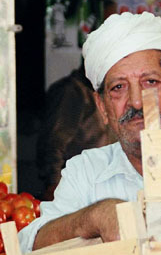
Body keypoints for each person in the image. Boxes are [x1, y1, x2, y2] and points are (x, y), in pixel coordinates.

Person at [19, 11, 161, 253]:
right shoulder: (86, 172)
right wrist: (93, 216)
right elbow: (29, 248)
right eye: (118, 87)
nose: (137, 102)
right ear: (102, 107)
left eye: (150, 82)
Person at [37, 62, 117, 202]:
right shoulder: (71, 92)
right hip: (73, 193)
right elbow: (53, 144)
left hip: (99, 191)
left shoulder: (103, 93)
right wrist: (53, 186)